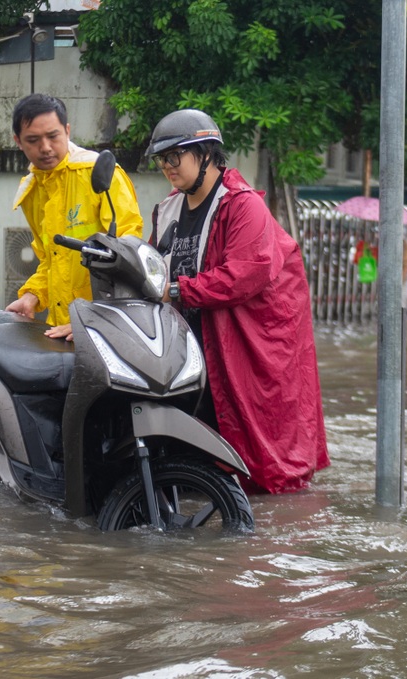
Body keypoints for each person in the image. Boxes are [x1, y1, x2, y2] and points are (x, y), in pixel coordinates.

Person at [145, 109, 329, 494]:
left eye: (174, 156)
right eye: (162, 158)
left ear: (207, 154)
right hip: (190, 345)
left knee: (260, 462)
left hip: (241, 345)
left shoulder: (243, 206)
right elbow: (150, 267)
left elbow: (244, 274)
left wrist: (176, 290)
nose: (166, 166)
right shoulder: (169, 210)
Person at [6, 93, 143, 340]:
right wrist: (32, 296)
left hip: (107, 329)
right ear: (18, 141)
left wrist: (93, 320)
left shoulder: (98, 173)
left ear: (67, 131)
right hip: (60, 327)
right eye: (33, 140)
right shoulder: (32, 191)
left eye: (53, 136)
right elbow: (51, 260)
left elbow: (129, 257)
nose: (45, 147)